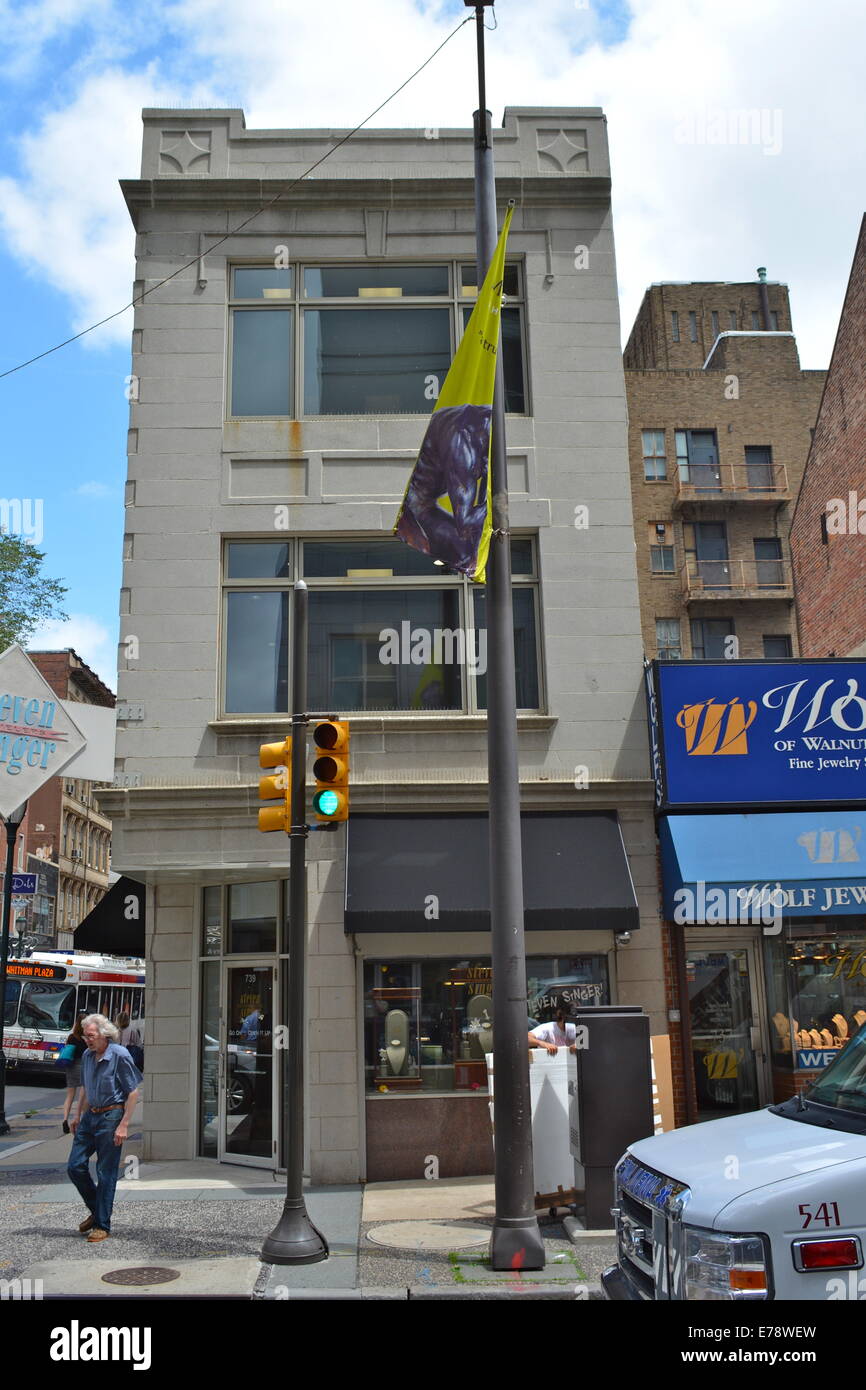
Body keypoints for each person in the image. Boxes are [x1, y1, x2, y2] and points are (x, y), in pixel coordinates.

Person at [67, 1013, 142, 1243]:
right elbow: (86, 1090)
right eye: (85, 1036)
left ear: (103, 1034)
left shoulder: (120, 1054)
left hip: (112, 1115)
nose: (87, 1040)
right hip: (91, 1116)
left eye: (91, 1036)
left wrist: (124, 1124)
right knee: (74, 1166)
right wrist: (77, 1115)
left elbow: (132, 1092)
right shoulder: (88, 1056)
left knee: (105, 1172)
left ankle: (102, 1225)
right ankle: (97, 1210)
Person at [61, 1015, 87, 1134]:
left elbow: (67, 1050)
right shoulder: (86, 1038)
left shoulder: (71, 1037)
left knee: (70, 1095)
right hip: (83, 1066)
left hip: (71, 1066)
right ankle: (80, 1118)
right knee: (83, 1094)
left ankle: (65, 1119)